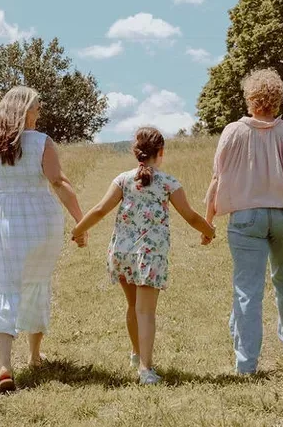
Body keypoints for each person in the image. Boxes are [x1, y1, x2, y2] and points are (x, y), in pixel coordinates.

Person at [0, 86, 86, 393]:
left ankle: (5, 365)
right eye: (37, 107)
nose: (39, 112)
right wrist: (80, 219)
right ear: (24, 111)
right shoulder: (42, 142)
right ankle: (34, 357)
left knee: (5, 289)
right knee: (37, 283)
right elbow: (58, 181)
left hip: (7, 222)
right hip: (42, 222)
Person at [204, 69, 283, 376]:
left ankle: (246, 363)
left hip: (247, 219)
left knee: (247, 288)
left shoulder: (233, 132)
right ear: (277, 100)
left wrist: (207, 221)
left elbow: (217, 179)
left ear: (250, 99)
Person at [71, 127, 215, 384]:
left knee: (133, 306)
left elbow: (101, 209)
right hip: (150, 255)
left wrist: (78, 229)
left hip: (123, 252)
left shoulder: (123, 180)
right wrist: (209, 231)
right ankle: (146, 370)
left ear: (136, 152)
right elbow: (191, 215)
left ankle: (137, 354)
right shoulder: (169, 182)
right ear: (160, 152)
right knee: (146, 312)